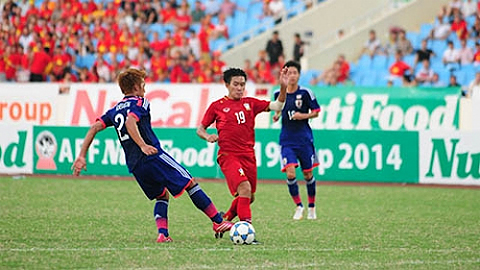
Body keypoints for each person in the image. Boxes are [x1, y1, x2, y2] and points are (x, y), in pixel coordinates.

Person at [72, 68, 233, 243]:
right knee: (190, 182)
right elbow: (130, 121)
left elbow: (95, 127)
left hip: (135, 165)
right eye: (143, 85)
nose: (145, 89)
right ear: (135, 87)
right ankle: (218, 222)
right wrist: (142, 145)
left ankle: (163, 234)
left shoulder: (115, 109)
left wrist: (81, 155)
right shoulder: (141, 102)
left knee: (161, 195)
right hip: (152, 156)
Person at [197, 67, 289, 238]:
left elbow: (278, 105)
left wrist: (283, 87)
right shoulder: (217, 106)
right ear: (227, 85)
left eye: (242, 84)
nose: (239, 88)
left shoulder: (250, 103)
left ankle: (224, 220)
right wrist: (207, 136)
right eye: (236, 84)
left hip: (248, 156)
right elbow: (200, 129)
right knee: (244, 189)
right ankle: (247, 231)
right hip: (228, 155)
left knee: (249, 196)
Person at [272, 60, 320, 220]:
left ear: (299, 75)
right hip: (287, 140)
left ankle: (312, 207)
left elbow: (316, 112)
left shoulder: (306, 93)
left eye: (294, 73)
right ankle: (299, 206)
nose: (292, 76)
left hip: (304, 139)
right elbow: (277, 110)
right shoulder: (277, 94)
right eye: (289, 73)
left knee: (307, 174)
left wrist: (303, 116)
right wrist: (276, 115)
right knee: (291, 173)